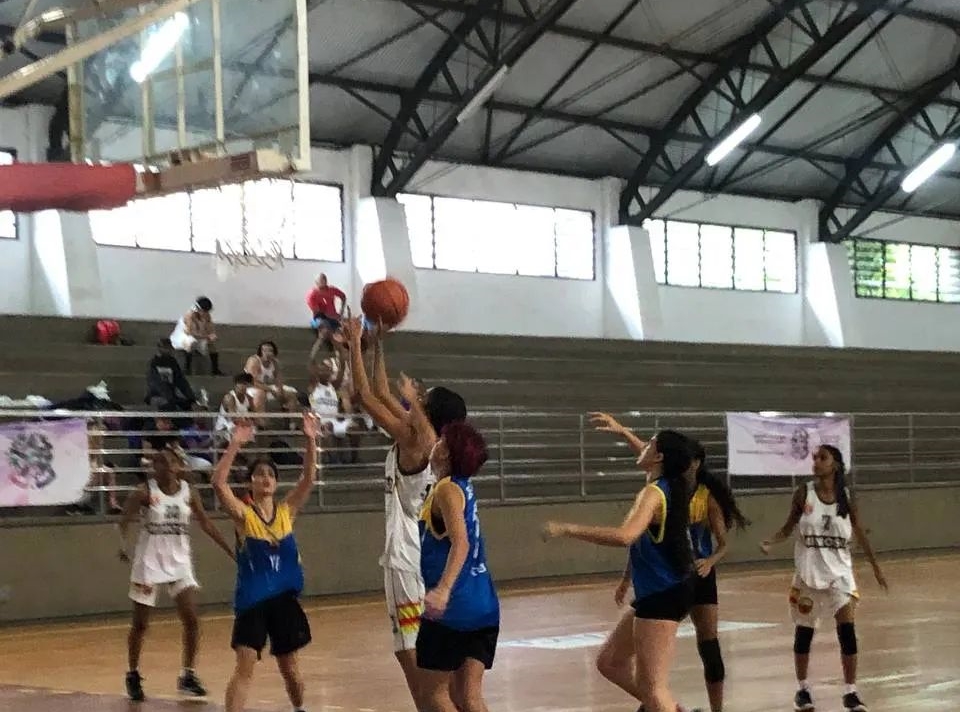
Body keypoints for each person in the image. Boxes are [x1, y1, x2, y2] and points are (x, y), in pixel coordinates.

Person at [342, 315, 467, 712]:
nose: (412, 401)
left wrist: (354, 345)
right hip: (432, 559)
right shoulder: (431, 442)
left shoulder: (417, 441)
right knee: (442, 680)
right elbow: (379, 393)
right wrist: (376, 345)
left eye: (421, 400)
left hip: (406, 561)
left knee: (419, 675)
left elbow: (363, 396)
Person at [592, 414, 749, 712]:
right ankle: (665, 705)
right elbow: (646, 453)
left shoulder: (696, 494)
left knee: (705, 644)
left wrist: (711, 560)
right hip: (669, 576)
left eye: (695, 461)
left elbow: (722, 542)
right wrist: (622, 430)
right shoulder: (664, 487)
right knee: (634, 675)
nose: (692, 466)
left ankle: (710, 707)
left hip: (691, 575)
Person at [542, 430, 700, 712]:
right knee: (610, 662)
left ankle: (662, 705)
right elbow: (645, 543)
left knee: (653, 687)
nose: (644, 447)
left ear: (659, 456)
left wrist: (568, 529)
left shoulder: (655, 492)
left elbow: (625, 536)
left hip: (664, 593)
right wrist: (622, 430)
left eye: (650, 444)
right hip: (664, 589)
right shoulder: (666, 486)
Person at [761, 444, 887, 712]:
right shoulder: (804, 492)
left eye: (822, 458)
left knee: (848, 633)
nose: (816, 462)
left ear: (835, 464)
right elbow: (789, 525)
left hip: (840, 574)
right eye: (814, 458)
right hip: (809, 574)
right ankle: (803, 690)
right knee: (804, 633)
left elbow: (860, 531)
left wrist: (875, 566)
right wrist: (772, 541)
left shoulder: (847, 495)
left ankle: (851, 692)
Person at [211, 414, 319, 712]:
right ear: (251, 483)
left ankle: (300, 709)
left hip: (283, 601)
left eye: (270, 474)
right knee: (245, 664)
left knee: (290, 668)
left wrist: (310, 439)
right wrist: (235, 443)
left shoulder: (286, 512)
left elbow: (308, 478)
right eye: (259, 474)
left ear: (275, 482)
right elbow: (218, 483)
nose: (266, 478)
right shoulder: (244, 516)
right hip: (253, 603)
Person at [118, 449, 235, 702]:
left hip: (179, 561)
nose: (168, 466)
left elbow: (205, 523)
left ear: (179, 466)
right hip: (149, 561)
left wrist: (230, 551)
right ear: (154, 466)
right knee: (140, 624)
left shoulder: (188, 492)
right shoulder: (144, 492)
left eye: (172, 462)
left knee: (192, 618)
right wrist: (123, 545)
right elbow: (124, 520)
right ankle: (133, 673)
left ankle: (188, 675)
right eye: (162, 462)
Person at [417, 421, 499, 712]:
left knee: (436, 695)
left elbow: (461, 543)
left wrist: (443, 589)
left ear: (447, 453)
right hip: (484, 604)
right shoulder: (463, 486)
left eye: (441, 441)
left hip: (455, 609)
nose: (434, 444)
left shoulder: (446, 490)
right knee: (469, 697)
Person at [170, 297, 223, 375]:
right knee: (190, 341)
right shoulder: (189, 316)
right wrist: (207, 336)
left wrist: (212, 335)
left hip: (200, 336)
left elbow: (210, 329)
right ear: (199, 309)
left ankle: (215, 369)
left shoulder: (207, 316)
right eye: (204, 311)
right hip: (182, 337)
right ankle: (187, 368)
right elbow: (190, 332)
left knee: (212, 346)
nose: (206, 313)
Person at [244, 340, 299, 413]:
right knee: (260, 394)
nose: (267, 353)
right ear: (260, 352)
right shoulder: (254, 361)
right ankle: (260, 420)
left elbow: (278, 379)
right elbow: (251, 381)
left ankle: (292, 422)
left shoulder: (275, 362)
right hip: (252, 387)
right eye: (264, 351)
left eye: (270, 351)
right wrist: (270, 390)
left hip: (268, 386)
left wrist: (280, 389)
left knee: (291, 394)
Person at [145, 338, 197, 410]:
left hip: (171, 396)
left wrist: (191, 398)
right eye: (166, 348)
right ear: (160, 348)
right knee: (168, 406)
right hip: (156, 395)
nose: (169, 350)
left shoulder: (172, 362)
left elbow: (181, 381)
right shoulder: (153, 363)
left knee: (188, 406)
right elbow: (156, 384)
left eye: (169, 348)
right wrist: (169, 397)